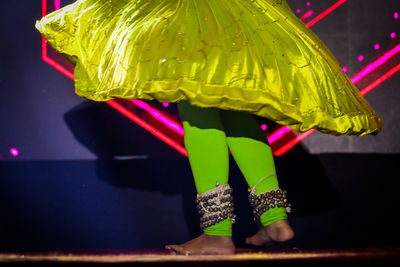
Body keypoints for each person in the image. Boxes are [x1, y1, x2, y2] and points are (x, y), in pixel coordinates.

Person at [35, 0, 382, 255]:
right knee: (234, 109)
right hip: (240, 12)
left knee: (197, 99)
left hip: (193, 12)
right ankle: (275, 221)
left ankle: (217, 233)